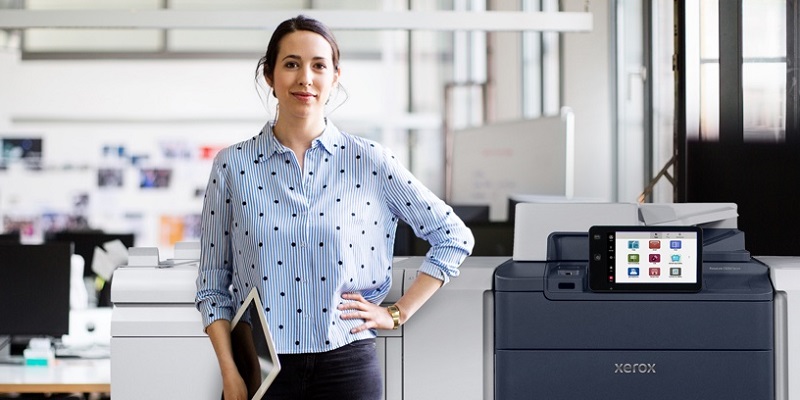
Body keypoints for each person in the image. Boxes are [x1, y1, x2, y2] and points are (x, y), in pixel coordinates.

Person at [195, 15, 474, 400]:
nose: (305, 78)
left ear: (335, 77)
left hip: (346, 363)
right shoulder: (233, 166)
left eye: (318, 65)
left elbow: (453, 235)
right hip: (260, 366)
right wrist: (230, 372)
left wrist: (397, 312)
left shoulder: (370, 160)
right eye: (291, 64)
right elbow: (212, 284)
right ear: (270, 77)